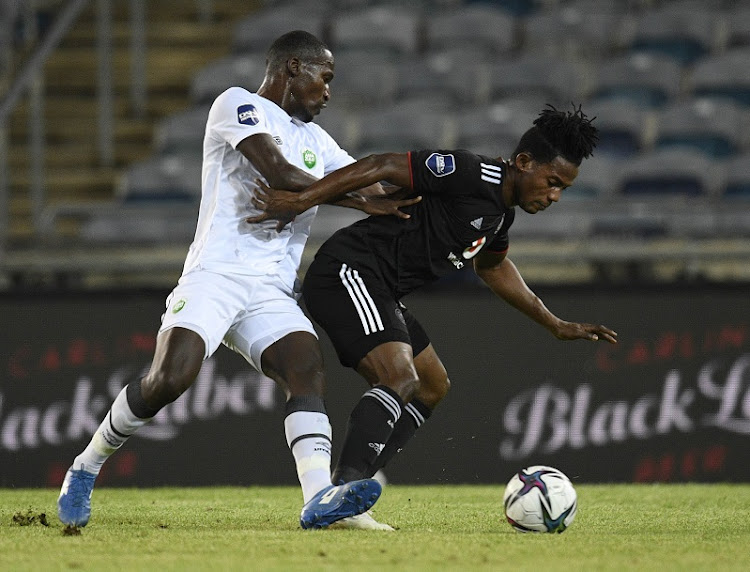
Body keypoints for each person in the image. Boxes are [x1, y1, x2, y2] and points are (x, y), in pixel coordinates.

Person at [57, 30, 418, 531]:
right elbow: (278, 172)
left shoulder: (318, 140)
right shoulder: (236, 103)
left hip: (270, 287)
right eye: (325, 78)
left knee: (305, 369)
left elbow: (370, 180)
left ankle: (321, 503)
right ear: (294, 67)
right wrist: (357, 199)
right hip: (215, 276)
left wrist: (428, 191)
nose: (328, 92)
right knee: (169, 380)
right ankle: (85, 466)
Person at [248, 104, 619, 521]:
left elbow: (493, 267)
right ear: (523, 162)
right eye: (552, 182)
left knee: (431, 384)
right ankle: (339, 494)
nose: (554, 196)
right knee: (399, 377)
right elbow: (381, 164)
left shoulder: (500, 215)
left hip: (381, 287)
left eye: (563, 190)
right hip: (349, 270)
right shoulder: (470, 172)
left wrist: (554, 324)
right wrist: (302, 200)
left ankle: (354, 489)